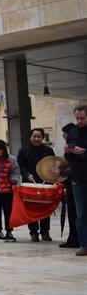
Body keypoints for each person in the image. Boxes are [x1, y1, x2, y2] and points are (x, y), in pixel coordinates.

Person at [16, 128, 56, 242]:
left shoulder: (48, 150)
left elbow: (53, 164)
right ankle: (33, 232)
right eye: (34, 136)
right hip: (30, 183)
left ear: (42, 138)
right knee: (31, 208)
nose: (36, 139)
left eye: (39, 137)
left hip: (45, 183)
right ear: (30, 137)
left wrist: (50, 175)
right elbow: (20, 166)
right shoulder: (23, 151)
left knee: (44, 207)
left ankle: (45, 232)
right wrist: (27, 175)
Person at [63, 105, 87, 256]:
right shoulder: (72, 133)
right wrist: (68, 152)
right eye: (77, 118)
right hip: (78, 178)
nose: (79, 121)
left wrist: (83, 152)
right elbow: (69, 160)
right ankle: (84, 245)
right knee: (81, 214)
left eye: (82, 118)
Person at [59, 123, 80, 249]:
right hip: (73, 183)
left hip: (77, 182)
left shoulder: (77, 145)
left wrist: (61, 172)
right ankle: (74, 238)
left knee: (76, 213)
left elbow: (73, 166)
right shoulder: (70, 147)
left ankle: (76, 239)